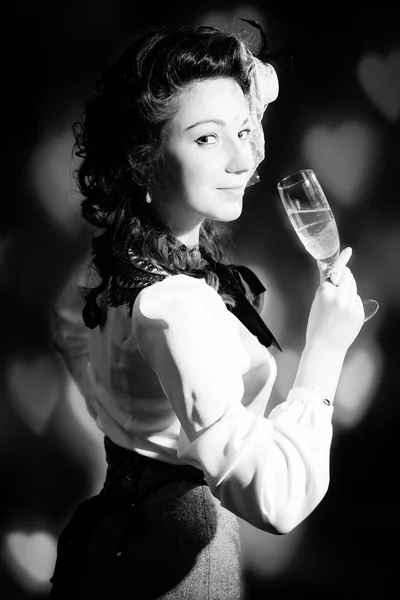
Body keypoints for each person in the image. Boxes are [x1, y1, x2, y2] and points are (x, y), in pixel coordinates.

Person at [49, 21, 364, 600]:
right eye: (205, 139)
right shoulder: (176, 308)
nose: (243, 159)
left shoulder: (114, 258)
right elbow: (276, 497)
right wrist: (326, 351)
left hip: (121, 526)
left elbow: (69, 321)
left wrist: (124, 422)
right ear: (144, 160)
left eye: (244, 131)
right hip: (181, 560)